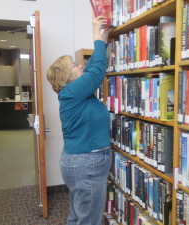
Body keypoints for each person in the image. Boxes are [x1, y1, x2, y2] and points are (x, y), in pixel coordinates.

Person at [46, 15, 112, 225]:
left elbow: (92, 68)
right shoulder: (72, 92)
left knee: (78, 216)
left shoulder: (74, 95)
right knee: (89, 220)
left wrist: (105, 37)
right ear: (67, 76)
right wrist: (96, 34)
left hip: (79, 163)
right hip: (87, 164)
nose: (81, 66)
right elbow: (96, 71)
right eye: (75, 65)